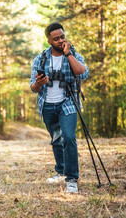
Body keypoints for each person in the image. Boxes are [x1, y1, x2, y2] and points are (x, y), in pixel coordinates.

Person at [30, 22, 89, 193]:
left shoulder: (73, 53)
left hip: (68, 102)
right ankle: (61, 171)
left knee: (69, 137)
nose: (61, 41)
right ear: (49, 41)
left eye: (62, 36)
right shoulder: (40, 59)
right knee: (56, 138)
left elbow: (83, 73)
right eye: (56, 39)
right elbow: (33, 88)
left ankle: (72, 179)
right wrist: (38, 83)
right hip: (47, 104)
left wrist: (68, 54)